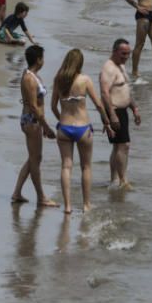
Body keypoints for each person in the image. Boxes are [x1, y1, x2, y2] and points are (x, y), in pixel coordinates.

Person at [51, 49, 112, 214]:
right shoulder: (84, 80)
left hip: (64, 128)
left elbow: (53, 106)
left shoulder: (58, 79)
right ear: (80, 63)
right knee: (86, 167)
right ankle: (86, 205)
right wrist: (106, 121)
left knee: (66, 166)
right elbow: (99, 105)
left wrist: (61, 120)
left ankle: (68, 206)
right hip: (83, 128)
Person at [12, 45, 58, 206]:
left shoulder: (33, 76)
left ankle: (17, 192)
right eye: (42, 58)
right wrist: (46, 126)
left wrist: (43, 122)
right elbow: (33, 105)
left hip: (35, 120)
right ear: (38, 59)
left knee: (34, 158)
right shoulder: (29, 78)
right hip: (31, 121)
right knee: (35, 159)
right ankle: (41, 197)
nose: (44, 61)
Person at [99, 39, 140, 190]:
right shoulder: (108, 68)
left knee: (118, 147)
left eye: (128, 54)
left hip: (122, 110)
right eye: (123, 54)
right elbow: (104, 93)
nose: (126, 57)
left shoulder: (120, 66)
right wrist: (112, 115)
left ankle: (114, 180)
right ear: (114, 51)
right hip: (114, 110)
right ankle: (123, 181)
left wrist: (134, 108)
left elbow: (125, 90)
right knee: (124, 146)